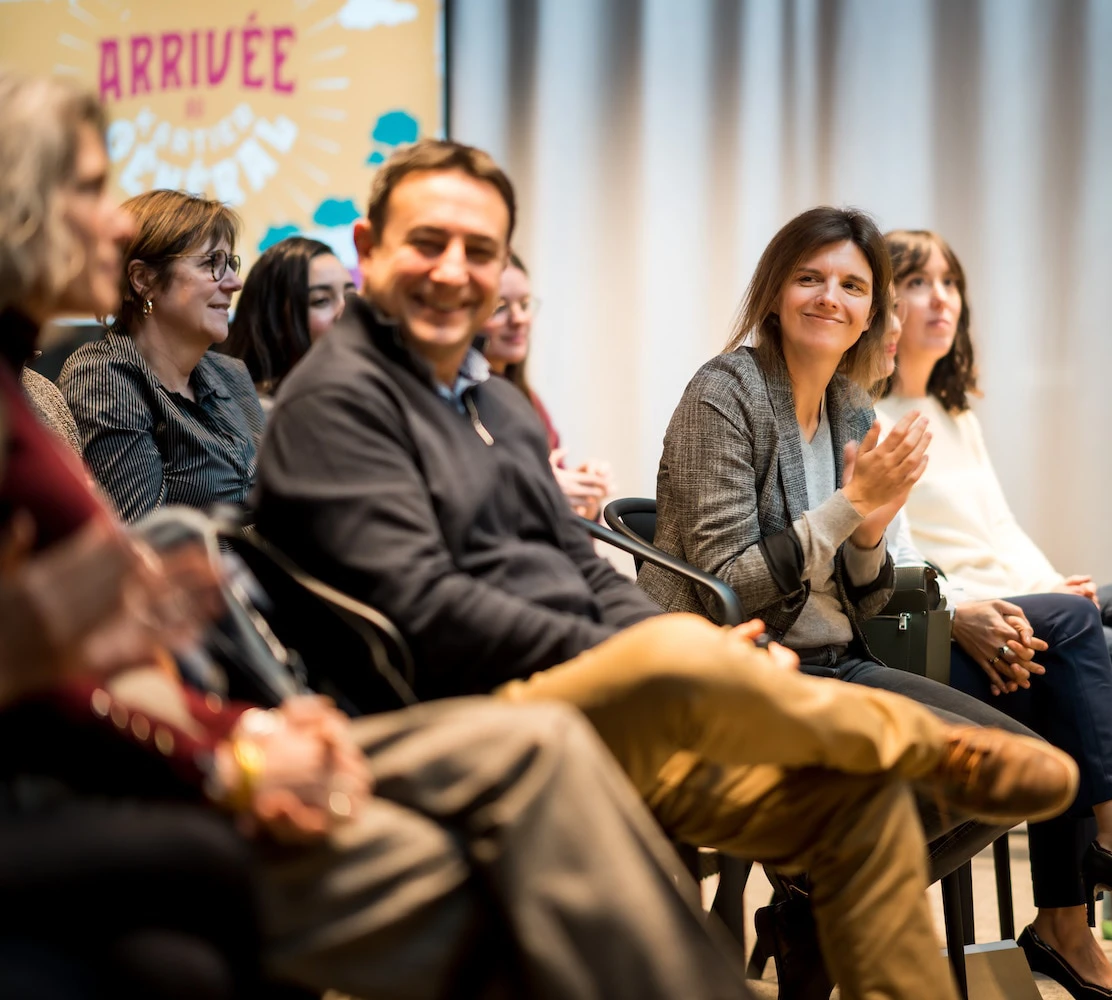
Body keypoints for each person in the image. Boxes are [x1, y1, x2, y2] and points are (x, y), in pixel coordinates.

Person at [0, 68, 797, 1000]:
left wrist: (241, 728)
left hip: (236, 681)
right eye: (93, 189)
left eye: (484, 254)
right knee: (545, 792)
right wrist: (232, 750)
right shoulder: (113, 381)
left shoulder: (175, 385)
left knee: (558, 773)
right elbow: (98, 622)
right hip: (212, 711)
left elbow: (125, 615)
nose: (117, 220)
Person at [252, 137, 1086, 1000]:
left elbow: (577, 564)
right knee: (678, 651)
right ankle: (914, 745)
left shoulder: (498, 401)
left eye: (480, 251)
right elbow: (423, 611)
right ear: (366, 248)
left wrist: (864, 536)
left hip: (685, 682)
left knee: (863, 809)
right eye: (429, 242)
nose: (454, 270)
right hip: (478, 715)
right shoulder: (337, 401)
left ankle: (857, 820)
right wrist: (658, 648)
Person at [643, 206, 1112, 999]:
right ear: (774, 291)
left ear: (866, 311)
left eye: (850, 285)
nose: (830, 298)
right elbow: (730, 586)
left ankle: (814, 901)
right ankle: (836, 901)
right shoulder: (724, 392)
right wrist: (855, 513)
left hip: (842, 656)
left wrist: (871, 535)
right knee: (1058, 669)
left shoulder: (851, 408)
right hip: (746, 665)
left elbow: (876, 594)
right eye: (809, 279)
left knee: (1032, 772)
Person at [881, 227, 1112, 989]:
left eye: (950, 282)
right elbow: (893, 559)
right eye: (916, 282)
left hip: (1036, 602)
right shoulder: (870, 413)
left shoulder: (954, 412)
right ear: (885, 302)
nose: (940, 297)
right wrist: (1005, 603)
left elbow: (998, 530)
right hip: (982, 617)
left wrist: (1055, 589)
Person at [58, 190, 264, 522]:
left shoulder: (230, 373)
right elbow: (143, 541)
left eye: (231, 264)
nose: (235, 283)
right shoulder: (103, 377)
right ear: (143, 280)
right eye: (212, 264)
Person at [479, 252, 612, 519]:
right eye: (500, 306)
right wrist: (543, 490)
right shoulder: (462, 399)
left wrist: (583, 498)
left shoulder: (529, 401)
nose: (519, 318)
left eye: (525, 304)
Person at [222, 236, 355, 405]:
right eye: (321, 300)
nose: (346, 311)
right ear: (274, 322)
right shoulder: (258, 416)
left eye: (351, 296)